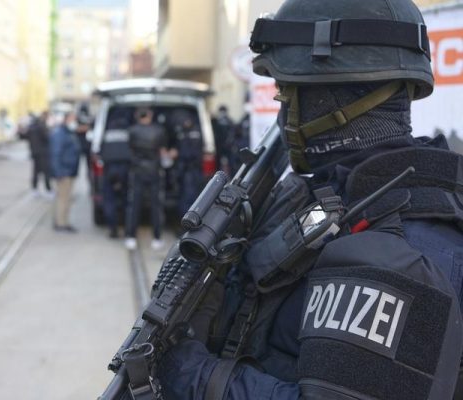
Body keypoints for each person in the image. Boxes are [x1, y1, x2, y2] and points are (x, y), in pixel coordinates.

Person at [158, 0, 463, 399]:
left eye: (287, 93)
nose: (283, 114)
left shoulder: (406, 244)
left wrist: (189, 372)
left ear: (335, 97)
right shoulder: (338, 195)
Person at [125, 107, 167, 251]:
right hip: (154, 171)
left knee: (134, 205)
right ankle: (157, 238)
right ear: (150, 115)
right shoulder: (159, 131)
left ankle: (131, 237)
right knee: (156, 206)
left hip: (138, 171)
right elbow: (163, 151)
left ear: (137, 116)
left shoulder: (132, 131)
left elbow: (129, 150)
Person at [100, 108, 132, 238]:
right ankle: (127, 229)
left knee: (109, 200)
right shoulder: (128, 131)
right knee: (127, 201)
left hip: (110, 170)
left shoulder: (106, 132)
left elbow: (100, 151)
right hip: (125, 170)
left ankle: (113, 229)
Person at [50, 111, 81, 233]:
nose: (75, 121)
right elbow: (55, 154)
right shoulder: (60, 134)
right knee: (63, 198)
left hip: (70, 171)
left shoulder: (69, 133)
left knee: (67, 198)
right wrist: (59, 172)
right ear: (67, 119)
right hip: (64, 172)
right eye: (73, 119)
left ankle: (64, 221)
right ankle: (61, 223)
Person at [172, 111, 204, 217]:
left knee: (189, 195)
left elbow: (190, 152)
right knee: (185, 193)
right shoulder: (182, 132)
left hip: (192, 168)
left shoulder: (194, 132)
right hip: (185, 168)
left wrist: (178, 153)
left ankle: (188, 217)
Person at [27, 111, 52, 196]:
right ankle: (48, 190)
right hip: (43, 153)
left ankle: (35, 189)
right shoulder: (42, 126)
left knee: (36, 172)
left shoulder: (32, 125)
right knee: (45, 172)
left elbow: (26, 136)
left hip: (35, 152)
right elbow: (47, 137)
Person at [211, 105, 234, 173]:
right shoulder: (216, 121)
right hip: (219, 145)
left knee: (230, 163)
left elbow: (232, 132)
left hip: (226, 145)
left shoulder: (229, 121)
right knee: (218, 162)